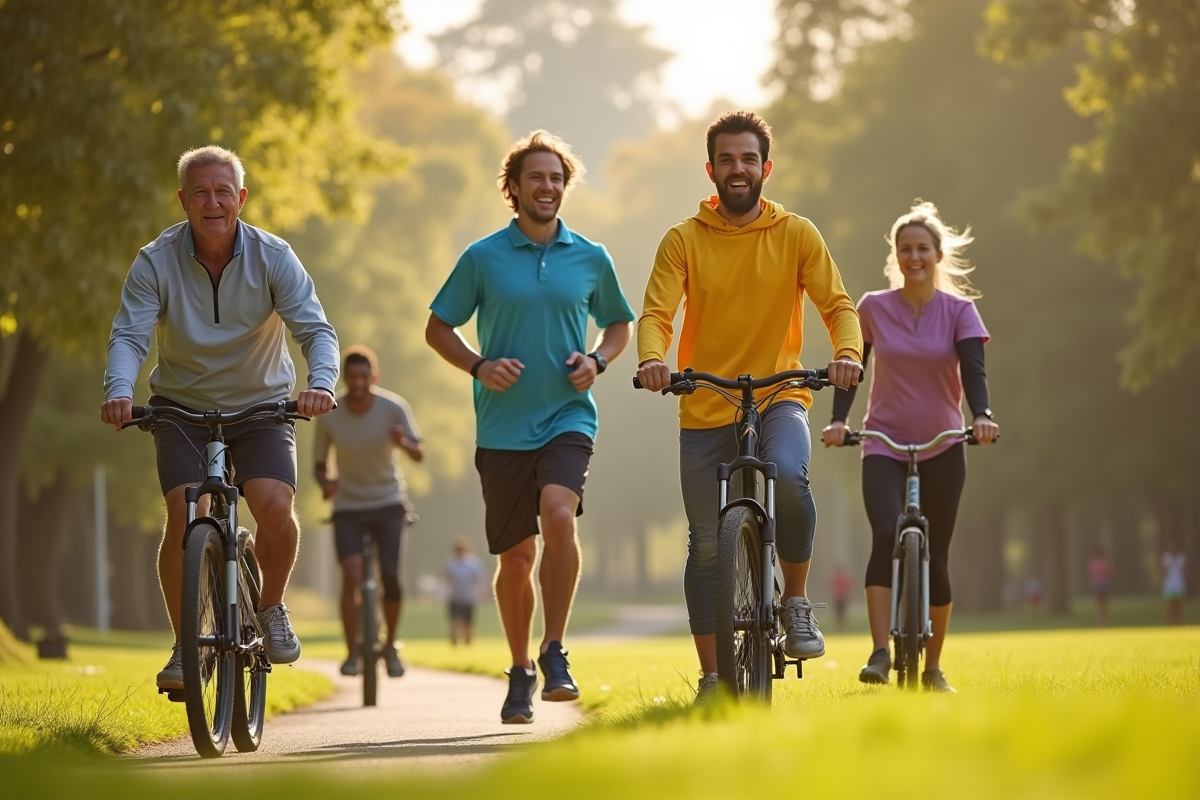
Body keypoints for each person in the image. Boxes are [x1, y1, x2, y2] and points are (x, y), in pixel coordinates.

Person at [636, 111, 863, 703]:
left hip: (779, 392)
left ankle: (795, 602)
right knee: (706, 543)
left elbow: (838, 305)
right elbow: (657, 313)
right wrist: (654, 359)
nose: (739, 169)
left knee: (789, 476)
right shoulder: (683, 239)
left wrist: (845, 352)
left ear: (766, 167)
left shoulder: (797, 234)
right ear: (711, 170)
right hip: (704, 399)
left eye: (748, 159)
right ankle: (712, 678)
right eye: (727, 160)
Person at [100, 145, 338, 691]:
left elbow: (315, 331)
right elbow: (130, 335)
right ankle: (186, 646)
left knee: (274, 504)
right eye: (201, 192)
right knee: (185, 516)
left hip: (262, 405)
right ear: (183, 200)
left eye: (223, 191)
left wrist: (320, 383)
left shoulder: (273, 255)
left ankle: (272, 606)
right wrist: (118, 391)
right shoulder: (154, 261)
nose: (213, 202)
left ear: (241, 198)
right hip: (181, 407)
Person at [426, 130, 635, 724]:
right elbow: (439, 327)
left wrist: (596, 360)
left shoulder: (591, 257)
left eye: (556, 178)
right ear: (513, 189)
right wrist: (478, 365)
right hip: (501, 428)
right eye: (536, 178)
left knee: (560, 515)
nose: (548, 187)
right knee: (516, 560)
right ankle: (519, 668)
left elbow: (618, 324)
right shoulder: (482, 257)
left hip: (568, 417)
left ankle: (554, 650)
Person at [823, 200, 999, 694]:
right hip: (882, 441)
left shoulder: (961, 312)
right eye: (905, 249)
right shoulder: (874, 307)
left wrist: (981, 417)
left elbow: (974, 373)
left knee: (937, 554)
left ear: (938, 254)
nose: (914, 257)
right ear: (895, 256)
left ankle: (934, 668)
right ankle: (880, 651)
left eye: (922, 248)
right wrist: (839, 421)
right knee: (884, 532)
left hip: (944, 442)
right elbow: (852, 369)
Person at [314, 345, 424, 678]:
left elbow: (419, 453)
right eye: (353, 377)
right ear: (345, 378)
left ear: (374, 377)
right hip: (348, 504)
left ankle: (390, 646)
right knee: (352, 575)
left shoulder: (394, 407)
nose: (359, 382)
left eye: (365, 376)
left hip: (388, 500)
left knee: (390, 576)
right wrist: (327, 483)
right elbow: (319, 464)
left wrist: (402, 442)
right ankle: (352, 653)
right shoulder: (330, 413)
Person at [445, 538, 486, 646]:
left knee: (468, 624)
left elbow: (480, 579)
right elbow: (446, 579)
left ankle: (468, 645)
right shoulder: (451, 564)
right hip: (455, 597)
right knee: (454, 623)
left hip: (469, 598)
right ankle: (454, 645)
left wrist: (481, 591)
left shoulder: (474, 564)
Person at [1161, 539, 1187, 625]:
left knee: (1178, 604)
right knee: (1170, 604)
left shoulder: (1181, 558)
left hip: (1179, 584)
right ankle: (1169, 622)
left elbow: (1186, 570)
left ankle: (1178, 621)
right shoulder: (1166, 557)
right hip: (1169, 584)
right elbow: (1162, 570)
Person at [1087, 545, 1113, 627]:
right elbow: (1110, 572)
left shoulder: (1093, 562)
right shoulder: (1106, 561)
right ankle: (1104, 621)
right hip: (1105, 583)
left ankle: (1098, 621)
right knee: (1104, 604)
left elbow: (1091, 573)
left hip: (1096, 583)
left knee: (1097, 603)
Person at [830, 564, 852, 630]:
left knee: (843, 612)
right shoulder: (835, 578)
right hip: (837, 598)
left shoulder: (844, 578)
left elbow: (848, 587)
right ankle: (838, 626)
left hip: (843, 598)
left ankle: (843, 625)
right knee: (837, 613)